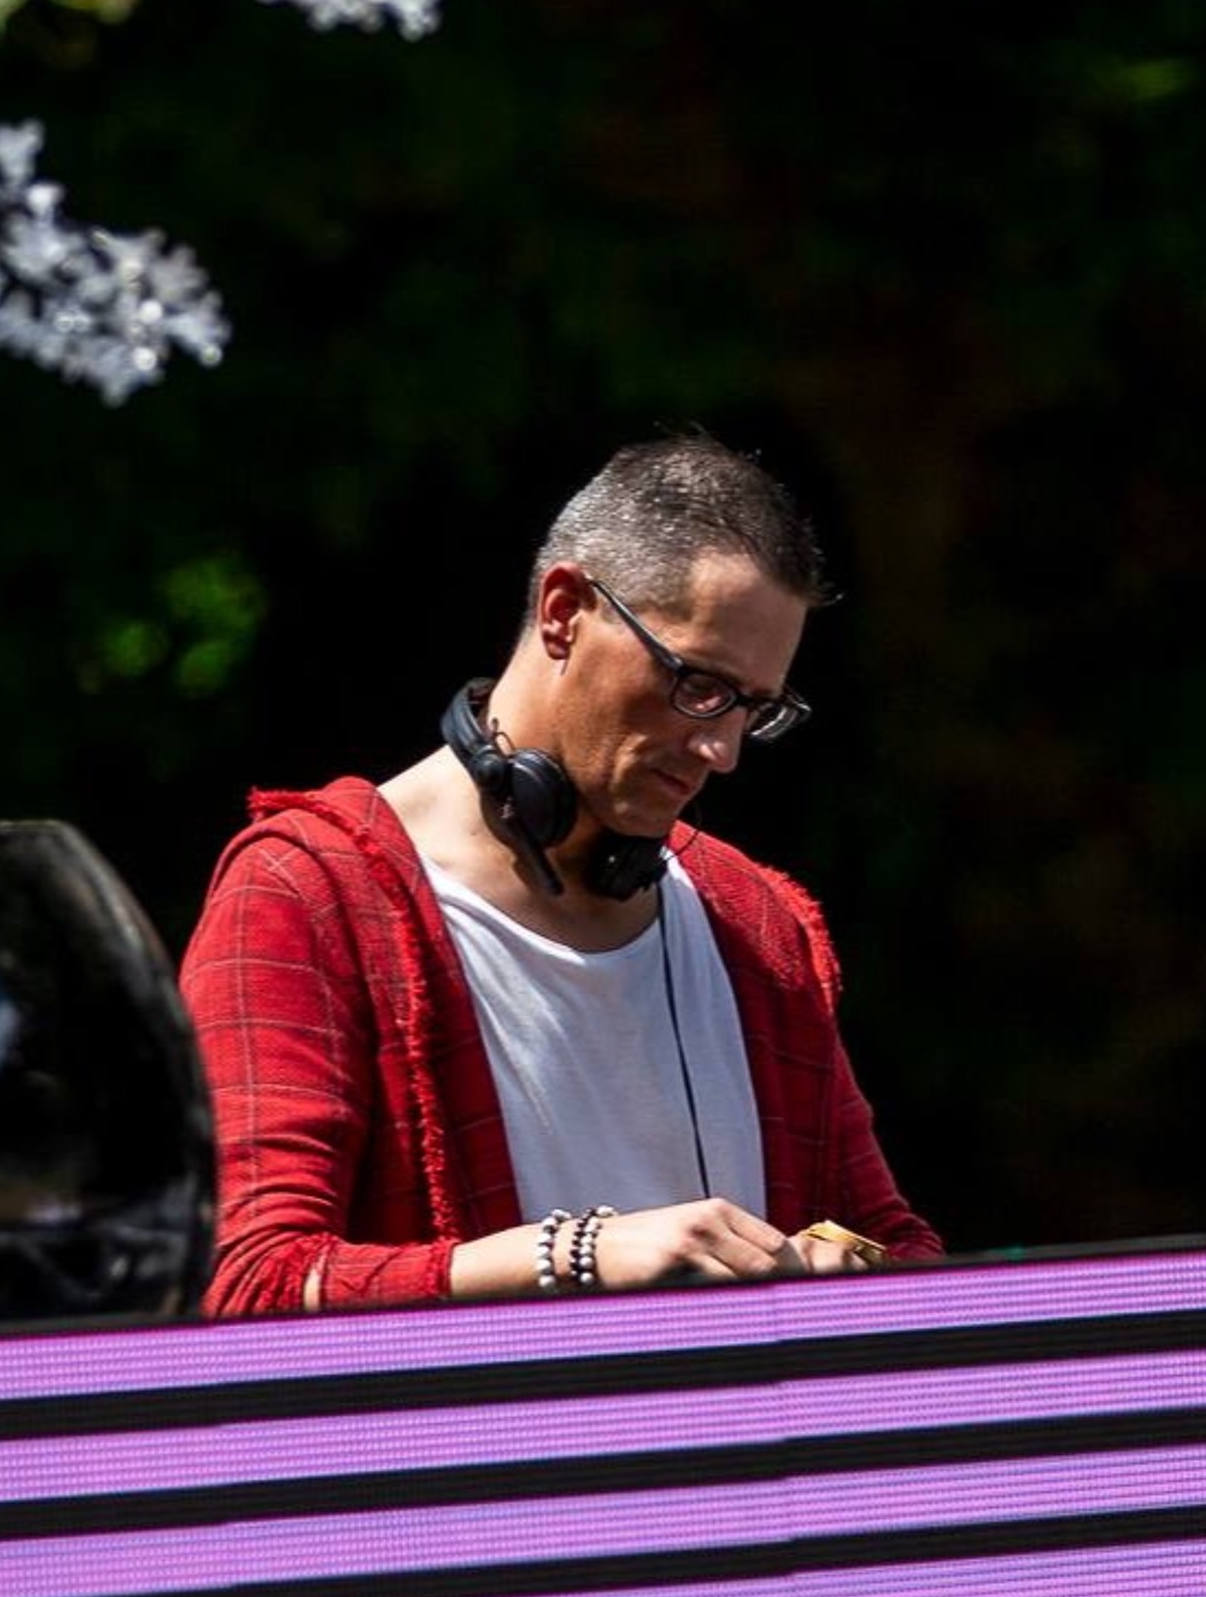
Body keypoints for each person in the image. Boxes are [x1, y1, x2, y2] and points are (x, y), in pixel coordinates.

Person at [179, 430, 941, 1314]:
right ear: (564, 611)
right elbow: (244, 1286)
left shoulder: (755, 919)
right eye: (697, 684)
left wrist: (851, 1268)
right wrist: (576, 1255)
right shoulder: (305, 893)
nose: (722, 750)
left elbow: (901, 1244)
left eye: (753, 709)